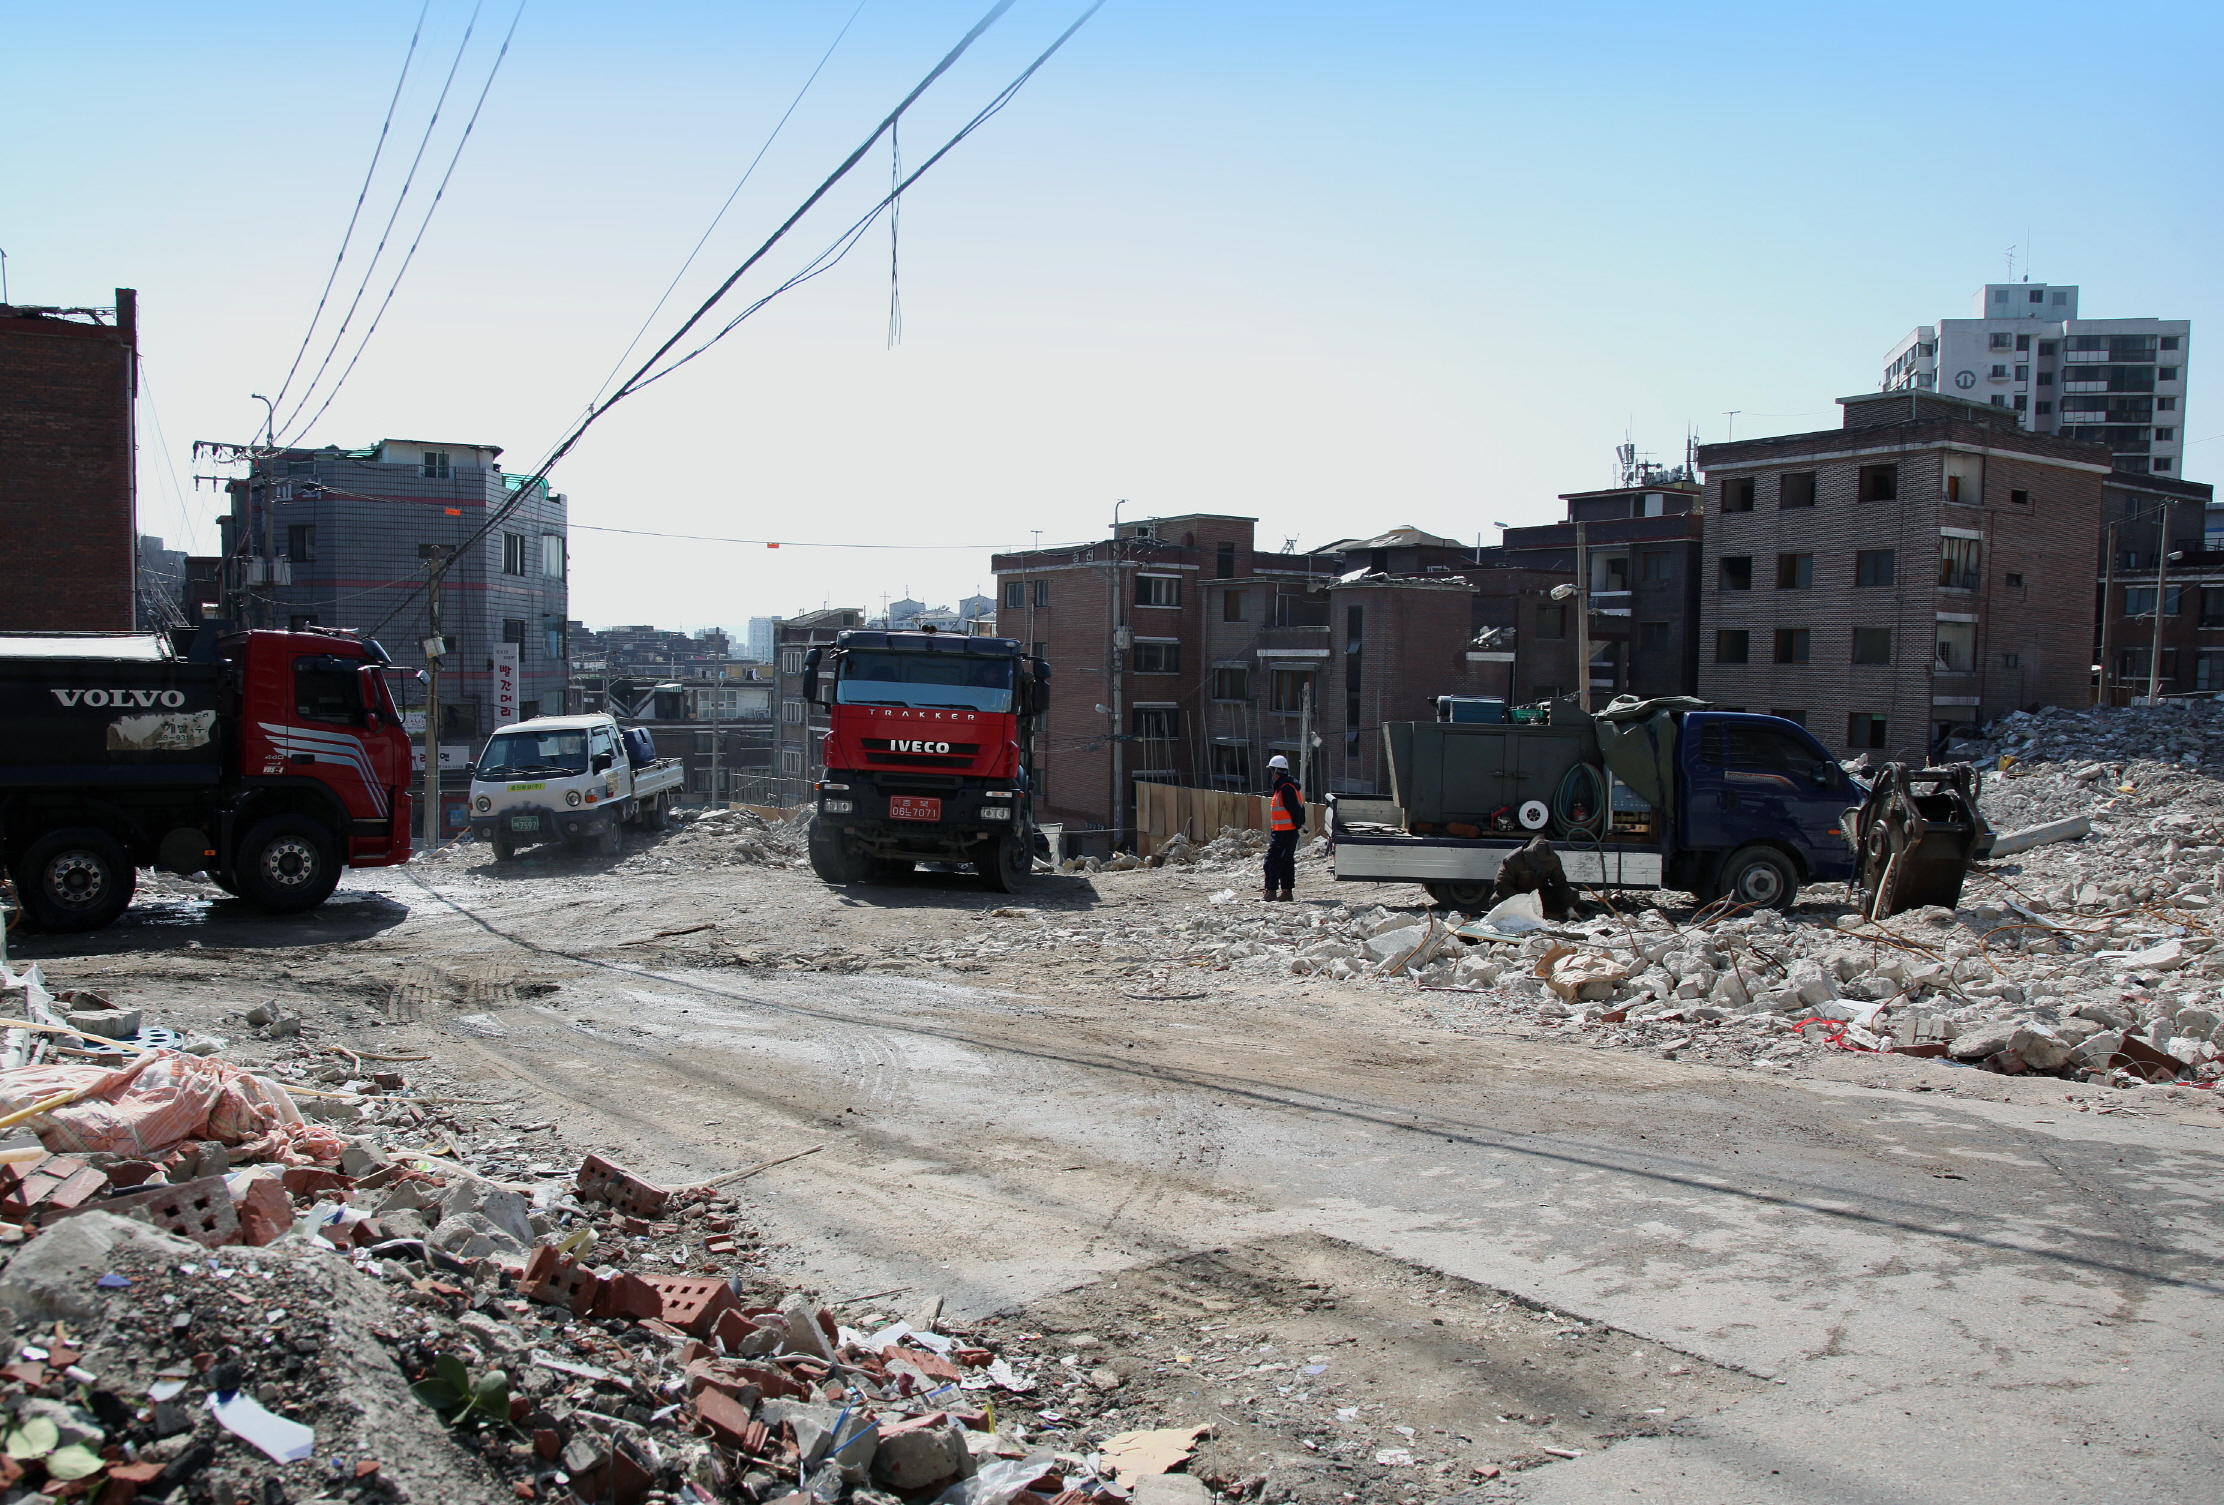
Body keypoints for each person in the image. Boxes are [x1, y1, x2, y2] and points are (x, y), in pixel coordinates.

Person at [1263, 754, 1302, 902]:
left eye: (1272, 771)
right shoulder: (1287, 786)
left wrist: (1297, 825)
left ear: (1276, 771)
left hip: (1285, 832)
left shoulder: (1286, 788)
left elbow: (1295, 810)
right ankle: (1286, 892)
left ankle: (1271, 891)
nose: (1271, 774)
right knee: (1286, 861)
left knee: (1272, 861)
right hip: (1284, 831)